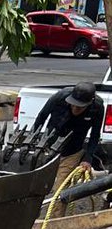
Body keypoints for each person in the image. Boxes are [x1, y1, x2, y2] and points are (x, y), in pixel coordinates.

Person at [33, 81, 103, 221]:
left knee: (61, 190)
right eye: (73, 104)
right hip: (48, 147)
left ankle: (54, 226)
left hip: (72, 152)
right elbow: (41, 118)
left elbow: (95, 135)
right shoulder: (59, 97)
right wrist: (35, 142)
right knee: (37, 186)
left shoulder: (97, 107)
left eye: (80, 107)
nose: (75, 109)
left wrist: (87, 159)